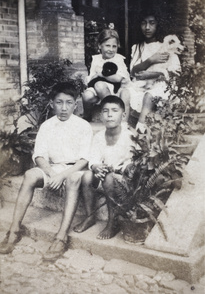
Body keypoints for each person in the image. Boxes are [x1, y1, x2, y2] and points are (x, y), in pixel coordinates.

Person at [0, 81, 93, 261]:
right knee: (29, 174)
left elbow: (83, 160)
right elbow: (39, 155)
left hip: (75, 169)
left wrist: (61, 176)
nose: (64, 107)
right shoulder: (47, 126)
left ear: (76, 104)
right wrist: (51, 173)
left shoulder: (83, 126)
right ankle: (14, 230)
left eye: (68, 102)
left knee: (73, 179)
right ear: (52, 103)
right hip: (54, 168)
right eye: (59, 102)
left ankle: (61, 237)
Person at [74, 96, 139, 239]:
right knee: (87, 175)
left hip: (123, 181)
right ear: (101, 115)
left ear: (123, 115)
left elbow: (133, 164)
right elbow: (94, 158)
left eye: (114, 111)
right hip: (105, 175)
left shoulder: (129, 137)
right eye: (105, 111)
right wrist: (96, 166)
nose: (109, 114)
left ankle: (112, 222)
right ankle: (90, 216)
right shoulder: (98, 137)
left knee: (109, 178)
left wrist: (113, 170)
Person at [120, 11, 182, 132]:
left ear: (158, 25)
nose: (147, 27)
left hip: (162, 84)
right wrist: (150, 60)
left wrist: (153, 74)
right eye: (144, 23)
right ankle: (122, 128)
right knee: (125, 93)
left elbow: (175, 73)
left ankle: (140, 129)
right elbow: (133, 71)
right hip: (141, 85)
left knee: (149, 96)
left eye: (152, 23)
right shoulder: (137, 47)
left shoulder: (167, 45)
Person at [82, 29, 130, 122]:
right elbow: (92, 76)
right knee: (86, 96)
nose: (111, 49)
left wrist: (101, 74)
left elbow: (118, 78)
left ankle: (111, 111)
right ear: (100, 45)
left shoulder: (118, 59)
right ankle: (87, 116)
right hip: (98, 89)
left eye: (114, 46)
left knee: (99, 85)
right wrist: (89, 79)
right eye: (108, 45)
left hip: (115, 88)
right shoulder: (96, 59)